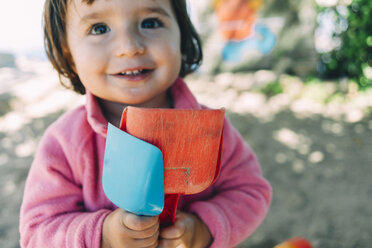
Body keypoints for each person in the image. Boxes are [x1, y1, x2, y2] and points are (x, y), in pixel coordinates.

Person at [19, 0, 272, 247]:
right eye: (99, 28)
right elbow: (37, 232)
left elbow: (250, 191)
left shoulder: (211, 131)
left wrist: (203, 229)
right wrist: (103, 235)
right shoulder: (64, 144)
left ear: (181, 37)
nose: (129, 47)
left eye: (150, 23)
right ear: (69, 54)